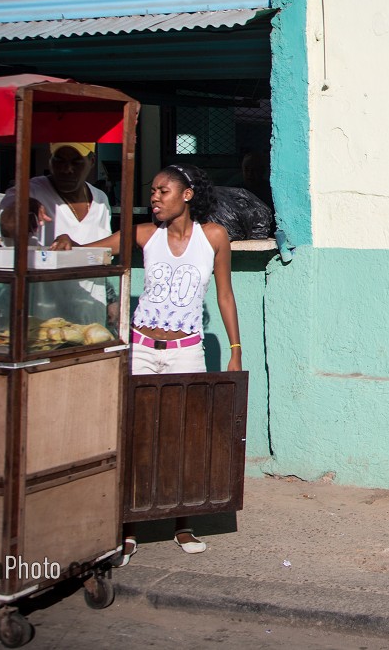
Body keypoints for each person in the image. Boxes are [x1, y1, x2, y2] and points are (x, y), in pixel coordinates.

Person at [55, 163, 241, 557]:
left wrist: (234, 351)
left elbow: (225, 295)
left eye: (162, 191)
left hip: (186, 351)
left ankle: (183, 524)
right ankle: (129, 525)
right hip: (140, 348)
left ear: (186, 194)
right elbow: (98, 247)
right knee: (137, 435)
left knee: (181, 437)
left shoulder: (214, 237)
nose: (154, 198)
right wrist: (71, 242)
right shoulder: (144, 235)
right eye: (152, 192)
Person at [0, 142, 113, 324]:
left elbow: (102, 258)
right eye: (59, 161)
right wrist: (22, 206)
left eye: (76, 162)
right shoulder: (30, 191)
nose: (67, 169)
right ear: (50, 161)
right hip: (40, 321)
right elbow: (7, 226)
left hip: (89, 317)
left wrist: (111, 299)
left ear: (91, 161)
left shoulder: (100, 199)